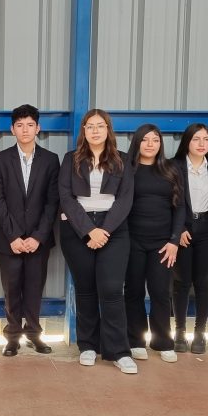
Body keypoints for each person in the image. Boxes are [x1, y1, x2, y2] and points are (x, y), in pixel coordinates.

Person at [58, 109, 136, 374]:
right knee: (85, 289)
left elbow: (125, 199)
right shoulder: (70, 159)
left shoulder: (122, 159)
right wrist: (89, 231)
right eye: (89, 126)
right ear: (83, 130)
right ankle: (88, 346)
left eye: (100, 126)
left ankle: (119, 351)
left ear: (108, 129)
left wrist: (104, 230)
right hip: (77, 227)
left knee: (112, 289)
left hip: (113, 228)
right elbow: (66, 197)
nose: (95, 130)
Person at [0, 104, 61, 356]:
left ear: (38, 128)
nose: (25, 130)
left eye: (30, 125)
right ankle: (12, 337)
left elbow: (52, 202)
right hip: (8, 239)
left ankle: (34, 334)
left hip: (38, 240)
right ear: (12, 129)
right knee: (11, 290)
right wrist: (14, 236)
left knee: (34, 288)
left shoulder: (51, 160)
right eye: (20, 125)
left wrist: (38, 237)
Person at [124, 124, 184, 363]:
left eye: (155, 140)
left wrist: (174, 241)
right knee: (134, 291)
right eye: (145, 140)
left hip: (163, 244)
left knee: (160, 292)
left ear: (161, 144)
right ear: (137, 142)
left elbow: (180, 208)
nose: (150, 144)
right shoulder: (126, 169)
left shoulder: (171, 169)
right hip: (132, 241)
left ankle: (163, 341)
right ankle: (135, 341)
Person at [170, 123, 208, 355]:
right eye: (196, 139)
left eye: (206, 139)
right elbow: (168, 201)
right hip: (184, 228)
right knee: (181, 281)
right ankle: (179, 331)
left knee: (203, 281)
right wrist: (177, 229)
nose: (201, 144)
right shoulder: (174, 166)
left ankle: (200, 333)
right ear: (187, 142)